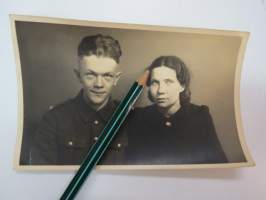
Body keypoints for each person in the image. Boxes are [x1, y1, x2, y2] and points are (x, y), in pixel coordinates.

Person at [30, 34, 127, 165]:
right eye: (90, 75)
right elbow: (41, 178)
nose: (99, 84)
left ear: (116, 78)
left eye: (107, 76)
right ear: (78, 76)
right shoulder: (54, 120)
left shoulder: (129, 118)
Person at [126, 56, 228, 164]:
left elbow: (218, 162)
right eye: (155, 83)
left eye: (168, 82)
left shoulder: (199, 116)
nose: (161, 90)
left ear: (182, 86)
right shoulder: (139, 118)